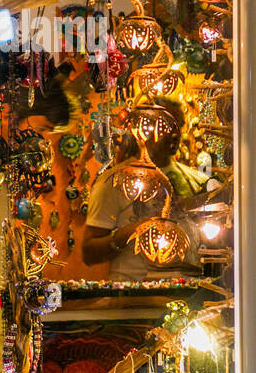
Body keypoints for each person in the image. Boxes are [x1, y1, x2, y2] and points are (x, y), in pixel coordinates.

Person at [83, 98, 209, 281]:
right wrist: (129, 233)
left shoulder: (196, 182)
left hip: (187, 295)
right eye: (165, 125)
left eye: (178, 126)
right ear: (143, 129)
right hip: (134, 299)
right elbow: (89, 253)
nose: (174, 134)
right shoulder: (113, 182)